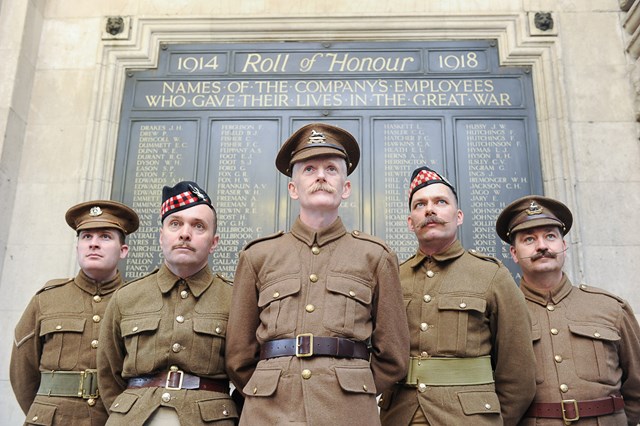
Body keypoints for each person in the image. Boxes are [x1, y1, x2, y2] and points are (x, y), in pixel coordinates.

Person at [225, 123, 409, 425]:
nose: (321, 176)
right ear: (293, 188)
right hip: (269, 411)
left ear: (346, 188)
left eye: (331, 169)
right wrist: (270, 387)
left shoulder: (375, 256)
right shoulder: (258, 256)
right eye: (309, 169)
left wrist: (353, 389)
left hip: (348, 412)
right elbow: (238, 355)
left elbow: (394, 356)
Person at [379, 166, 537, 426]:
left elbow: (518, 373)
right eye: (420, 204)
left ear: (459, 216)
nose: (430, 210)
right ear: (410, 222)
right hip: (400, 417)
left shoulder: (491, 275)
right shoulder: (393, 277)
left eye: (440, 202)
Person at [97, 181, 238, 425]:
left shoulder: (234, 299)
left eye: (198, 226)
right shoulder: (127, 297)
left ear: (214, 243)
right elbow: (108, 373)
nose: (185, 233)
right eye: (175, 224)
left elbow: (247, 369)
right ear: (161, 237)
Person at [496, 195, 640, 425]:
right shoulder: (499, 314)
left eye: (550, 237)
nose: (542, 246)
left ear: (563, 246)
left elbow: (637, 389)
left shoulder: (611, 307)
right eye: (529, 239)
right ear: (514, 253)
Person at [10, 200, 139, 426]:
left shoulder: (138, 301)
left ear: (123, 250)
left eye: (105, 237)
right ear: (78, 246)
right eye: (86, 237)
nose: (93, 244)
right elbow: (23, 373)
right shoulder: (47, 299)